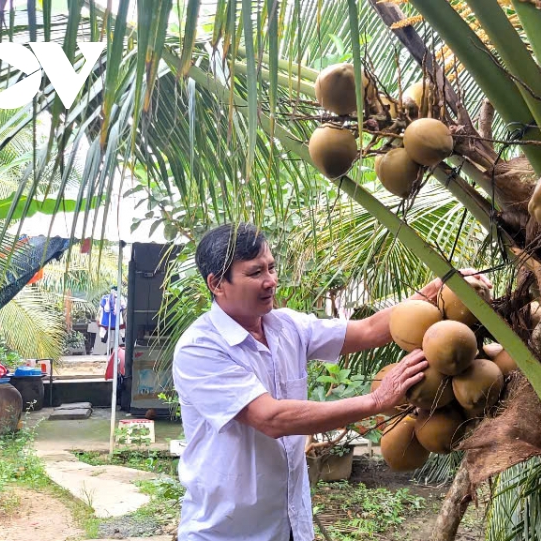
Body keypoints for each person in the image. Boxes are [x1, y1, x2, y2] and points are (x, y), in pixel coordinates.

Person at [172, 222, 491, 541]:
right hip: (226, 533)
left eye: (271, 267)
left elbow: (367, 331)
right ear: (217, 283)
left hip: (291, 527)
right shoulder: (201, 348)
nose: (271, 281)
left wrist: (437, 289)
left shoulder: (286, 326)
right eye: (255, 273)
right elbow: (271, 418)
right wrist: (376, 402)